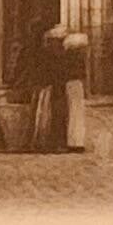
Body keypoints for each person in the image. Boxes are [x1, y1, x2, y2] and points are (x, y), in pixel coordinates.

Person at [33, 25, 69, 154]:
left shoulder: (50, 53)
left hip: (53, 87)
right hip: (55, 87)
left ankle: (51, 142)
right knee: (53, 115)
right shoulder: (58, 53)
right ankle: (56, 142)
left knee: (50, 115)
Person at [63, 32, 88, 153]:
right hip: (76, 84)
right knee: (77, 112)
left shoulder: (66, 57)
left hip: (69, 83)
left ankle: (72, 141)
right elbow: (83, 74)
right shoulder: (78, 58)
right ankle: (78, 141)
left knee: (71, 111)